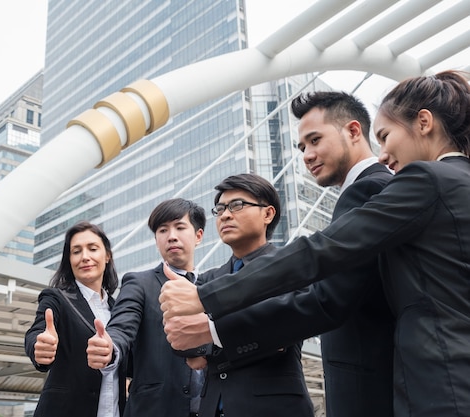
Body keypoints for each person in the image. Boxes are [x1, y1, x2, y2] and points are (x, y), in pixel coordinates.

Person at [160, 70, 470, 417]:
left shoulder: (403, 184)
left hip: (427, 387)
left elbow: (322, 270)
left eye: (315, 140)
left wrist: (206, 306)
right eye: (301, 146)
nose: (384, 155)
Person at [164, 92, 395, 417]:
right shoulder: (210, 276)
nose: (306, 155)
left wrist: (211, 330)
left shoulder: (367, 192)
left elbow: (314, 307)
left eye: (315, 140)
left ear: (354, 131)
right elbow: (180, 342)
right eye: (301, 147)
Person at [182, 173, 314, 417]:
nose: (225, 215)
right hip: (212, 408)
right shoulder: (207, 280)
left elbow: (282, 329)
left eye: (237, 205)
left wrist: (211, 334)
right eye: (220, 208)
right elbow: (183, 342)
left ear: (268, 214)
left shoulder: (291, 264)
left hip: (274, 409)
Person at [86, 198, 206, 417]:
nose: (171, 236)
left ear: (198, 236)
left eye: (180, 227)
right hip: (155, 409)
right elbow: (121, 328)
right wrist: (110, 347)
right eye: (162, 230)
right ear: (156, 240)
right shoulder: (139, 283)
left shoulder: (213, 287)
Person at [25, 221, 126, 417]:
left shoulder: (120, 309)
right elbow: (36, 332)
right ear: (69, 260)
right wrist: (39, 346)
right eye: (76, 251)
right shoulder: (57, 299)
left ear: (107, 255)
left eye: (93, 249)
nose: (85, 257)